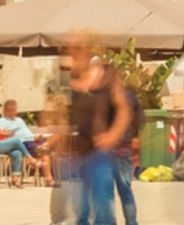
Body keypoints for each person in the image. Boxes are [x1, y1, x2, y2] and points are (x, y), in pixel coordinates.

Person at [62, 35, 141, 225]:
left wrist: (113, 136)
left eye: (75, 50)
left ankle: (130, 222)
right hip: (83, 152)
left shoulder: (106, 81)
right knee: (84, 205)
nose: (71, 55)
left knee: (107, 202)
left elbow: (126, 111)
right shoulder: (74, 83)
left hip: (104, 153)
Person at [0, 100, 41, 185]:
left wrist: (34, 137)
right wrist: (5, 133)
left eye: (14, 110)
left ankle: (15, 178)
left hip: (27, 141)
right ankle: (30, 159)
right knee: (16, 141)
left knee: (17, 152)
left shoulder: (19, 120)